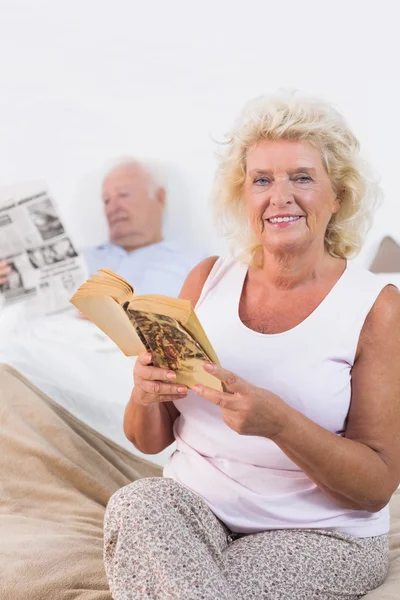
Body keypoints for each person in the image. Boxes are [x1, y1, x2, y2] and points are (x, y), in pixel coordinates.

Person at [104, 93, 400, 600]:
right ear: (244, 195)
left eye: (302, 177)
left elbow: (376, 485)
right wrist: (144, 391)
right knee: (135, 504)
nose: (279, 196)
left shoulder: (377, 307)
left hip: (321, 535)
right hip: (195, 513)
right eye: (262, 180)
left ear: (338, 194)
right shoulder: (207, 279)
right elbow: (150, 441)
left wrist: (279, 424)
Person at [0, 160, 205, 302]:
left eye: (123, 195)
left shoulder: (196, 265)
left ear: (159, 197)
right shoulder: (80, 258)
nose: (113, 207)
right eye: (106, 200)